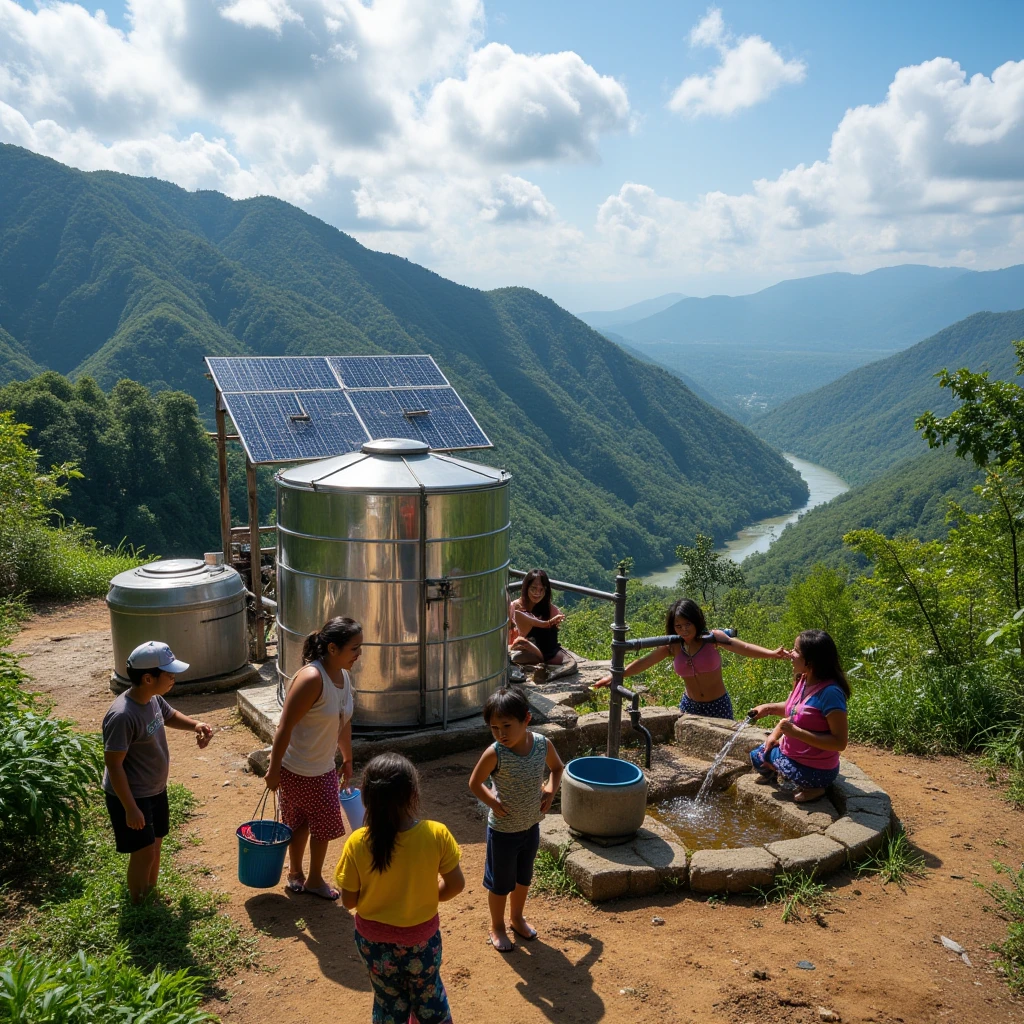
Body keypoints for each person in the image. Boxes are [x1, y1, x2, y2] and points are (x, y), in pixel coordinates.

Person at [337, 753, 465, 1024]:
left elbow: (349, 902)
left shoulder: (358, 842)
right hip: (422, 941)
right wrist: (428, 898)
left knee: (388, 1002)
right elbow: (456, 884)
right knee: (428, 997)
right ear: (413, 794)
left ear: (367, 798)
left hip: (373, 944)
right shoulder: (436, 834)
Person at [102, 641, 214, 904]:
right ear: (148, 678)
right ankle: (139, 902)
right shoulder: (122, 716)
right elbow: (114, 764)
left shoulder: (153, 699)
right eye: (169, 674)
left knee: (155, 845)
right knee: (142, 852)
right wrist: (130, 807)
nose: (174, 678)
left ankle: (149, 892)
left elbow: (169, 715)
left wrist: (196, 724)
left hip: (154, 789)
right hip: (131, 796)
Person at [265, 616, 360, 900]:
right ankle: (309, 877)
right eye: (354, 648)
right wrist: (273, 770)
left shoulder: (342, 676)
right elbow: (285, 726)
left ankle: (301, 875)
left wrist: (347, 759)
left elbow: (343, 722)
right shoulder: (311, 679)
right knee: (310, 823)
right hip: (298, 768)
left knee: (313, 823)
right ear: (333, 648)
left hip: (323, 768)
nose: (359, 655)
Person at [468, 685, 565, 952]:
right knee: (500, 884)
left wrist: (550, 789)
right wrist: (492, 801)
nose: (501, 734)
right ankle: (497, 926)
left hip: (531, 826)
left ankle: (516, 918)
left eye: (507, 726)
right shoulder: (495, 753)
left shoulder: (542, 745)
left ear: (526, 720)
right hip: (502, 831)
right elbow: (475, 783)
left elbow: (558, 768)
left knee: (524, 878)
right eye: (494, 728)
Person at [595, 597, 789, 719]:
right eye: (678, 626)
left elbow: (744, 648)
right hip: (689, 705)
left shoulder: (713, 638)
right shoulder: (673, 645)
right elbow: (645, 662)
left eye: (687, 624)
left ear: (696, 621)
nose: (684, 630)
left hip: (718, 705)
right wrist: (616, 676)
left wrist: (772, 654)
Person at [748, 629, 850, 803]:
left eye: (795, 650)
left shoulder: (831, 693)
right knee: (757, 756)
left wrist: (796, 733)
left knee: (769, 762)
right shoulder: (803, 679)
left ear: (810, 660)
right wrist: (768, 709)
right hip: (791, 753)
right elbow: (795, 710)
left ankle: (815, 788)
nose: (790, 654)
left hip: (816, 767)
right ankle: (782, 772)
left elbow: (840, 742)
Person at [509, 568, 571, 683]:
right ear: (526, 587)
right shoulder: (516, 607)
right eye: (533, 588)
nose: (537, 593)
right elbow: (512, 638)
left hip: (550, 655)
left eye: (541, 590)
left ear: (546, 591)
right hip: (531, 652)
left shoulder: (550, 609)